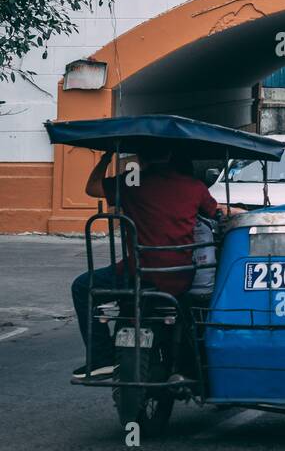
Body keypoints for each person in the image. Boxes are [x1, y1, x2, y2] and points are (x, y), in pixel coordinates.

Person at [71, 147, 224, 380]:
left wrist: (105, 158)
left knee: (83, 286)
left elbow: (92, 188)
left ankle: (101, 359)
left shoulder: (133, 182)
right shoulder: (194, 187)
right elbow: (216, 214)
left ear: (142, 157)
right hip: (180, 275)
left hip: (139, 273)